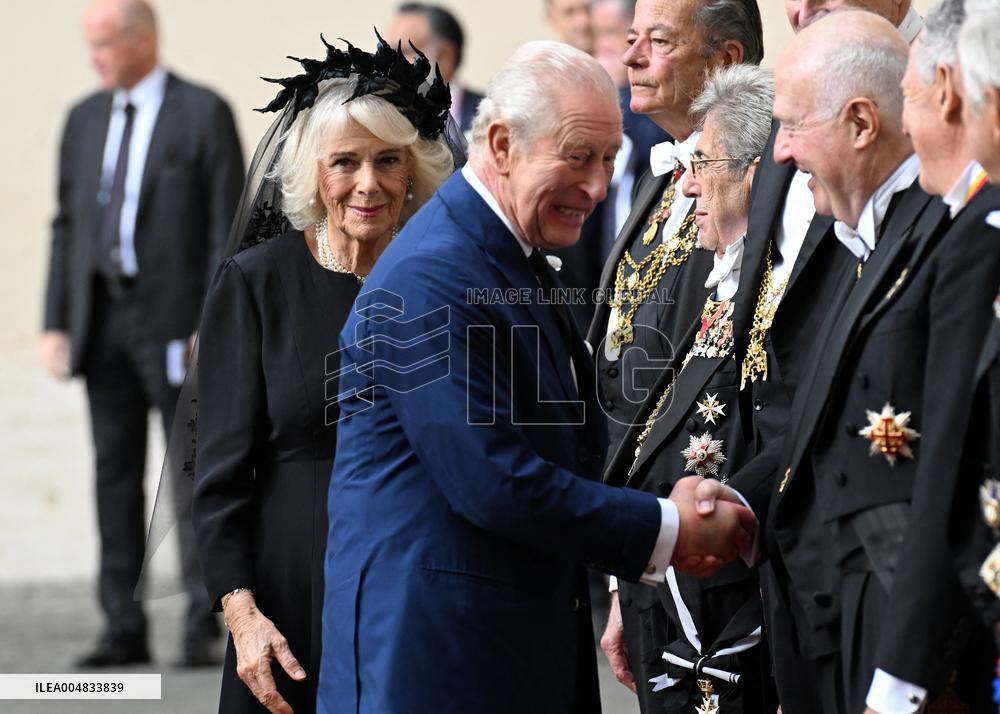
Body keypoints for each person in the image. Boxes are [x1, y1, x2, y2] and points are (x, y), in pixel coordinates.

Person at [317, 40, 756, 714]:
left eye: (610, 161)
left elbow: (568, 445)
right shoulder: (432, 278)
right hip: (435, 667)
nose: (598, 187)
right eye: (578, 158)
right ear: (499, 144)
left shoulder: (502, 255)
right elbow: (492, 481)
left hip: (501, 650)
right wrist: (667, 528)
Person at [730, 9, 999, 712]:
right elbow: (821, 418)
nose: (780, 154)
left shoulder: (955, 229)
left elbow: (947, 465)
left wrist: (906, 673)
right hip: (844, 627)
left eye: (791, 125)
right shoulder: (864, 234)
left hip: (913, 635)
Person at [191, 35, 457, 714]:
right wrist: (243, 616)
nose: (367, 184)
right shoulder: (256, 283)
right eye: (345, 162)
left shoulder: (442, 280)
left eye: (387, 161)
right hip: (290, 601)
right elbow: (218, 478)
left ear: (414, 170)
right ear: (314, 174)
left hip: (417, 591)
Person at [41, 0, 243, 667]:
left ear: (142, 39)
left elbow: (228, 228)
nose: (94, 57)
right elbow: (67, 224)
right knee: (113, 474)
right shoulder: (83, 118)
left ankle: (200, 624)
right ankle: (122, 628)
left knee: (189, 477)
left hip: (177, 323)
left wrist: (212, 323)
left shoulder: (202, 112)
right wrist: (56, 321)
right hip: (103, 322)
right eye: (89, 45)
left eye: (104, 43)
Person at [601, 64, 775, 713]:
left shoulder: (775, 289)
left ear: (754, 172)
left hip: (732, 604)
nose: (689, 185)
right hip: (666, 585)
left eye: (703, 164)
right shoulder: (712, 278)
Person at [385, 3, 483, 133]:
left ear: (445, 55)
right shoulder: (380, 115)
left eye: (404, 51)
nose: (390, 62)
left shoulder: (491, 114)